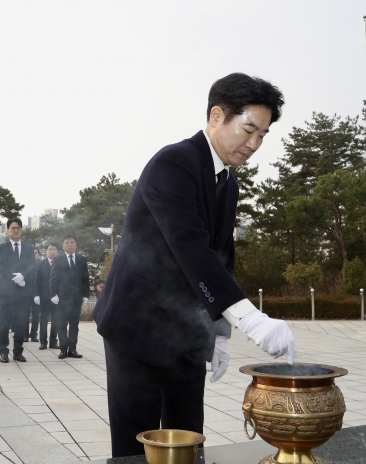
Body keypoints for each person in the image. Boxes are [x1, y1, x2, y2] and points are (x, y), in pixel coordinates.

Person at [92, 73, 297, 457]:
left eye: (263, 135)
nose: (254, 144)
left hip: (187, 331)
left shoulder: (229, 182)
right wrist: (250, 319)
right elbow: (190, 249)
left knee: (188, 438)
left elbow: (221, 256)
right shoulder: (174, 163)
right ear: (217, 116)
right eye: (249, 129)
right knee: (138, 447)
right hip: (136, 326)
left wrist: (218, 331)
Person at [0, 218, 36, 363]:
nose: (15, 230)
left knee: (21, 322)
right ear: (8, 230)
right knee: (4, 322)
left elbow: (33, 265)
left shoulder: (29, 248)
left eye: (18, 228)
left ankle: (18, 351)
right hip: (6, 290)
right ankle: (3, 351)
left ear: (22, 230)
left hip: (23, 290)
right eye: (12, 228)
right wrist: (15, 277)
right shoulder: (1, 248)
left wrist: (23, 275)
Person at [50, 235, 89, 360]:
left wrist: (85, 295)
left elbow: (85, 279)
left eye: (72, 242)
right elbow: (54, 278)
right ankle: (63, 349)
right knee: (61, 325)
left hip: (76, 298)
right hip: (62, 298)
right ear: (63, 245)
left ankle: (73, 349)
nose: (70, 245)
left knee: (74, 325)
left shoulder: (82, 260)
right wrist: (53, 294)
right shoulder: (58, 259)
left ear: (76, 244)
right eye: (67, 243)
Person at [34, 243, 60, 350]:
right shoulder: (41, 264)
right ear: (46, 252)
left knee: (56, 320)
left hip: (57, 297)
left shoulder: (60, 263)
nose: (52, 251)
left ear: (57, 251)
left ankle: (53, 342)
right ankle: (43, 342)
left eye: (54, 249)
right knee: (43, 320)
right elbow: (37, 280)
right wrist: (36, 295)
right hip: (44, 296)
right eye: (50, 249)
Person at [25, 247, 41, 342]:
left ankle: (34, 334)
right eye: (32, 253)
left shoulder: (41, 264)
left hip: (37, 294)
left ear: (38, 254)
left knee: (36, 315)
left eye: (35, 253)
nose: (34, 255)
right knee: (25, 315)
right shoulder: (25, 266)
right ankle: (25, 334)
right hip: (26, 293)